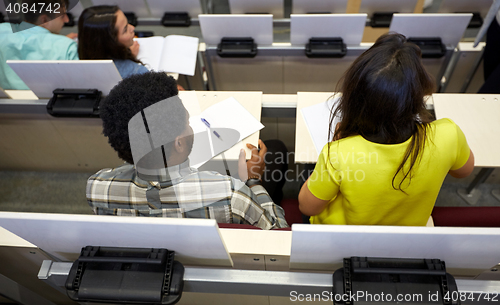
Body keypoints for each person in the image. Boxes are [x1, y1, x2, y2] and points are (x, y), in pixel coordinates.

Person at [298, 33, 474, 226]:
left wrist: (335, 146)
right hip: (407, 233)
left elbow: (307, 207)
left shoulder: (338, 154)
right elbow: (463, 171)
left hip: (346, 237)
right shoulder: (449, 135)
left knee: (308, 171)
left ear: (355, 99)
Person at [86, 72, 288, 230]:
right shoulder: (232, 196)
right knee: (277, 149)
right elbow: (279, 234)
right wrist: (253, 180)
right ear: (179, 143)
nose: (190, 126)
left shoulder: (97, 188)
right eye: (187, 121)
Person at [0, 0, 78, 90]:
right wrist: (64, 43)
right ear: (44, 20)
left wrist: (61, 41)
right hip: (46, 103)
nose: (67, 20)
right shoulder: (67, 47)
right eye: (62, 16)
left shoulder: (2, 30)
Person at [77, 5, 148, 79]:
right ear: (110, 43)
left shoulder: (76, 68)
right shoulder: (138, 72)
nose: (132, 28)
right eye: (125, 29)